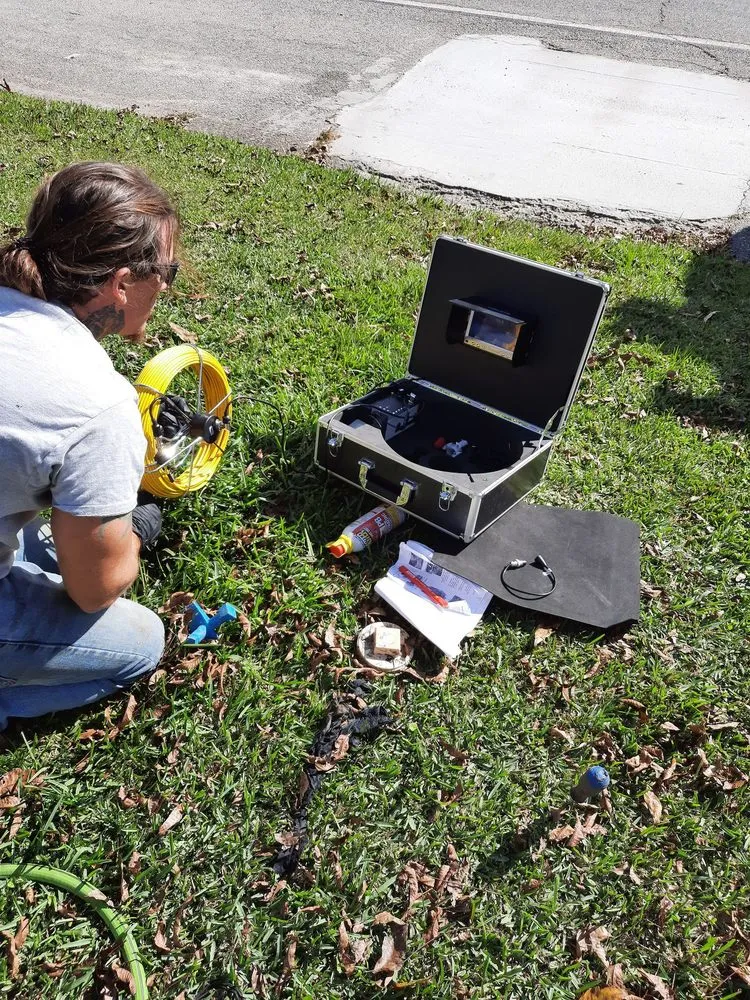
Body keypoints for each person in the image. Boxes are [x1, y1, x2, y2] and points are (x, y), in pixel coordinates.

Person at [0, 161, 178, 732]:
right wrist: (125, 540)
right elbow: (94, 591)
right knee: (142, 640)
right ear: (122, 283)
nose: (168, 287)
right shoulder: (98, 404)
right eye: (166, 271)